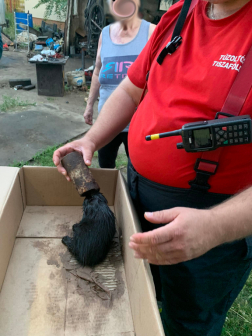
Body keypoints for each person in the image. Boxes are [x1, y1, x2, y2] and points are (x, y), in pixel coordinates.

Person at [53, 0, 252, 335]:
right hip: (138, 197)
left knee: (190, 323)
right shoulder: (180, 13)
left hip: (212, 227)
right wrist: (90, 140)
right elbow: (132, 91)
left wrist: (215, 227)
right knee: (142, 298)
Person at [83, 0, 155, 168]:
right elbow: (97, 71)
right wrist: (89, 106)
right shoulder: (105, 33)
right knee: (105, 167)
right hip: (106, 122)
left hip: (138, 124)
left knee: (138, 171)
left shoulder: (151, 31)